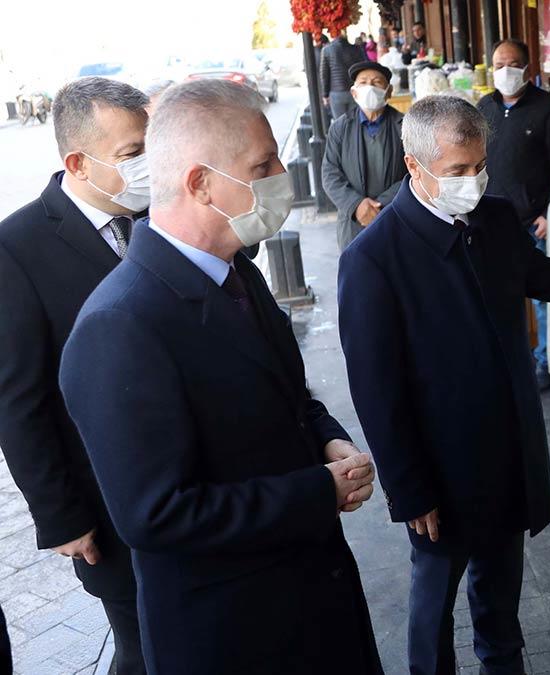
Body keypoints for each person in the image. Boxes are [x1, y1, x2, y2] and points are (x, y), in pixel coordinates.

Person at [337, 95, 550, 675]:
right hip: (440, 469)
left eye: (480, 166)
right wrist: (409, 486)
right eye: (458, 171)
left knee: (500, 594)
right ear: (414, 166)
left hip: (505, 450)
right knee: (435, 596)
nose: (473, 181)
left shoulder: (494, 218)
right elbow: (377, 391)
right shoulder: (374, 260)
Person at [58, 79, 383, 675]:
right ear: (200, 183)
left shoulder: (238, 272)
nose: (282, 175)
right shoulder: (120, 325)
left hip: (314, 601)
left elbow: (288, 397)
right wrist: (320, 491)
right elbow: (156, 514)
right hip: (237, 634)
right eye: (262, 165)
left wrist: (326, 437)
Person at [0, 76, 150, 675]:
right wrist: (60, 516)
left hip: (190, 481)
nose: (149, 166)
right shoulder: (18, 246)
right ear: (77, 162)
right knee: (143, 649)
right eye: (132, 155)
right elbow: (18, 400)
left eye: (152, 146)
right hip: (103, 494)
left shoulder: (158, 213)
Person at [478, 39, 550, 391]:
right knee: (492, 295)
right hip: (489, 222)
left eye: (513, 63)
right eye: (499, 64)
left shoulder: (549, 109)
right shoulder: (483, 109)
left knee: (541, 298)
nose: (506, 71)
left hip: (534, 222)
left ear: (528, 67)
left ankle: (543, 364)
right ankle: (505, 360)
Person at [322, 61, 408, 250]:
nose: (370, 87)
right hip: (353, 223)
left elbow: (414, 173)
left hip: (394, 217)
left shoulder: (405, 126)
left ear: (389, 91)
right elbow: (330, 173)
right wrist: (356, 205)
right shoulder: (340, 127)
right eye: (363, 82)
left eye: (377, 82)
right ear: (354, 93)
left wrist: (381, 206)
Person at [322, 30, 368, 121]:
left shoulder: (326, 50)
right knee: (355, 122)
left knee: (340, 125)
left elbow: (324, 75)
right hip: (354, 91)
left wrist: (325, 94)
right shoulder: (356, 48)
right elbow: (363, 68)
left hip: (336, 93)